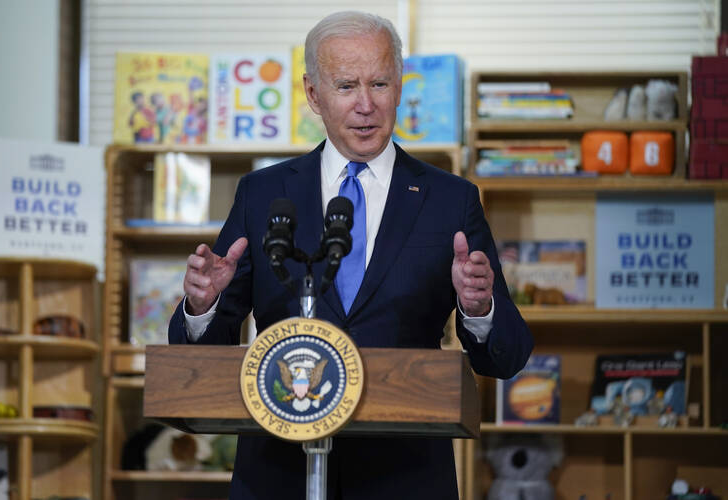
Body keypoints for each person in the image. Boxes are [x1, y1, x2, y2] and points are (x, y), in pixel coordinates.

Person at [168, 11, 533, 500]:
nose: (366, 105)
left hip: (404, 477)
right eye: (346, 87)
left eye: (380, 83)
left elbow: (507, 355)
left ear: (400, 86)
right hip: (279, 474)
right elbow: (199, 355)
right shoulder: (263, 194)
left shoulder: (451, 200)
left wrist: (479, 309)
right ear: (313, 94)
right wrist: (202, 306)